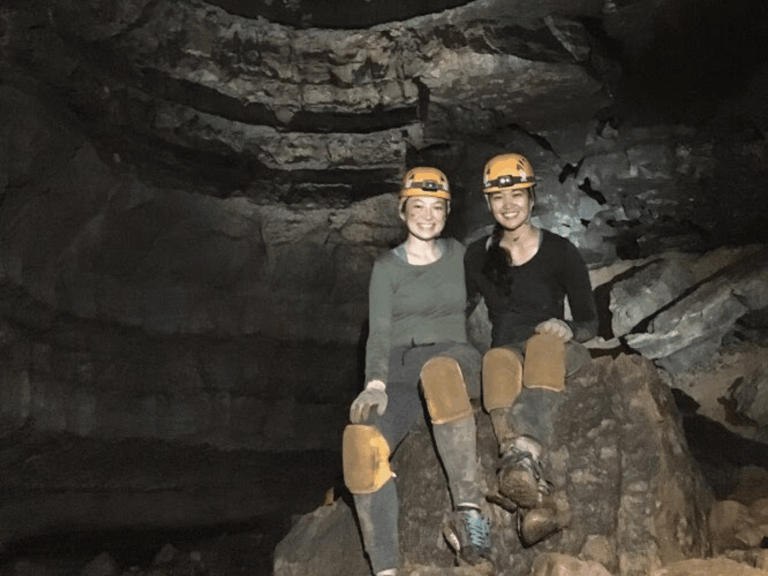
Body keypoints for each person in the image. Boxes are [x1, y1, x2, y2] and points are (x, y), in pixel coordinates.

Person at [342, 167, 492, 576]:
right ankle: (387, 569)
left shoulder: (461, 254)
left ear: (447, 211)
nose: (428, 215)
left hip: (454, 358)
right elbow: (380, 330)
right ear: (402, 211)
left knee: (440, 373)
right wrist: (374, 384)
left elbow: (505, 278)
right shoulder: (386, 267)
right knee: (361, 442)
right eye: (418, 206)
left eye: (437, 207)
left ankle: (470, 514)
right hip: (399, 370)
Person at [464, 153, 598, 546]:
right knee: (497, 361)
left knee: (541, 347)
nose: (509, 205)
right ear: (489, 204)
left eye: (517, 195)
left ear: (532, 198)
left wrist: (567, 327)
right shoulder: (477, 255)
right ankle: (541, 501)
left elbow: (591, 322)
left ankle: (523, 451)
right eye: (499, 198)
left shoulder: (560, 251)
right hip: (508, 351)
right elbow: (459, 307)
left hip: (556, 350)